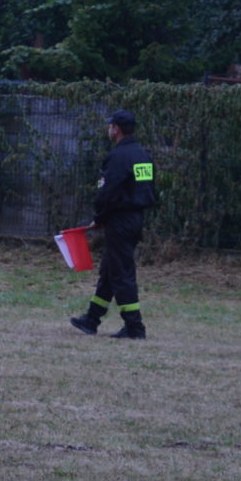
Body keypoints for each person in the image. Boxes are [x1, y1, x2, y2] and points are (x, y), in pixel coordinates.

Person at [70, 109, 158, 340]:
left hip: (119, 220)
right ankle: (92, 319)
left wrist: (100, 217)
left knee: (121, 274)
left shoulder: (118, 157)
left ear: (116, 129)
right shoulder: (143, 155)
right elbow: (147, 189)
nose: (109, 129)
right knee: (110, 270)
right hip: (135, 218)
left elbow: (108, 192)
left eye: (110, 126)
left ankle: (134, 327)